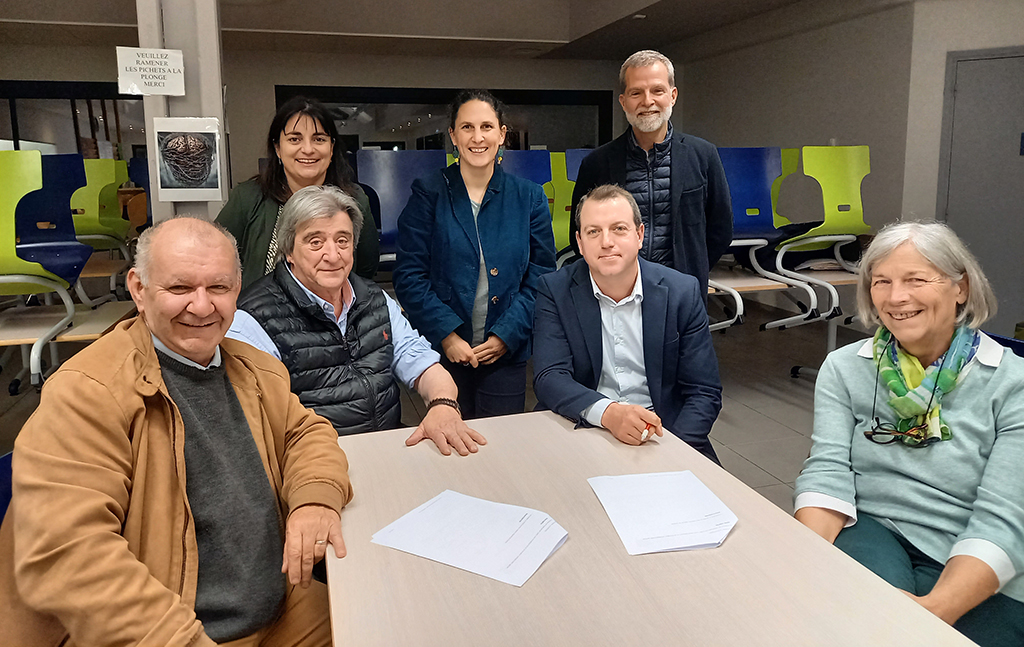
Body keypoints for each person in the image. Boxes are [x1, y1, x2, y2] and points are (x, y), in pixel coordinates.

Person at [0, 218, 352, 647]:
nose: (202, 307)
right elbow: (72, 556)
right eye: (180, 289)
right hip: (170, 632)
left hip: (279, 606)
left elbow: (306, 433)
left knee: (393, 619)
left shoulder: (255, 369)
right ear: (138, 289)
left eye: (218, 288)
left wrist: (315, 497)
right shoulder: (87, 393)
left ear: (238, 289)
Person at [794, 221, 1024, 647]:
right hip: (873, 526)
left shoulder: (1013, 383)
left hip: (974, 547)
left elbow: (1005, 518)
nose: (896, 297)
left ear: (961, 288)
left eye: (916, 280)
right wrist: (807, 565)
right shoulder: (845, 368)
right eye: (881, 281)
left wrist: (934, 612)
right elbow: (827, 472)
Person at [229, 185, 486, 456]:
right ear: (289, 251)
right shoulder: (252, 320)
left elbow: (419, 360)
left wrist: (443, 405)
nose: (333, 255)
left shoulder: (375, 298)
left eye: (343, 240)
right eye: (315, 242)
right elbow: (256, 424)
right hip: (309, 460)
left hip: (388, 447)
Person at [393, 89, 557, 419]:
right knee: (450, 446)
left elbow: (542, 276)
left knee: (502, 447)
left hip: (506, 353)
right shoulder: (429, 193)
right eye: (467, 127)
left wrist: (506, 335)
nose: (477, 137)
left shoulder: (529, 197)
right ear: (453, 135)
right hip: (444, 352)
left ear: (501, 134)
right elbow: (409, 275)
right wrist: (448, 336)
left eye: (486, 127)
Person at [533, 184, 722, 462]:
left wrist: (673, 453)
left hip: (665, 433)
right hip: (583, 424)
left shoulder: (682, 291)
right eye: (593, 231)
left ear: (640, 235)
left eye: (619, 229)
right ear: (580, 243)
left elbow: (704, 391)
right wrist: (609, 414)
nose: (606, 241)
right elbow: (549, 377)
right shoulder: (555, 289)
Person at [569, 50, 732, 299]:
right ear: (623, 101)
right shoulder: (597, 163)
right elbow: (578, 233)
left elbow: (720, 228)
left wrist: (692, 268)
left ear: (672, 96)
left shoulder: (703, 156)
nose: (647, 101)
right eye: (636, 93)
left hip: (682, 290)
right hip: (614, 293)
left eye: (657, 90)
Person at [217, 96, 379, 291]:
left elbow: (365, 269)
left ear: (331, 147)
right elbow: (216, 259)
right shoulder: (248, 198)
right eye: (295, 139)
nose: (308, 149)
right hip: (260, 316)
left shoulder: (356, 200)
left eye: (319, 139)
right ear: (278, 148)